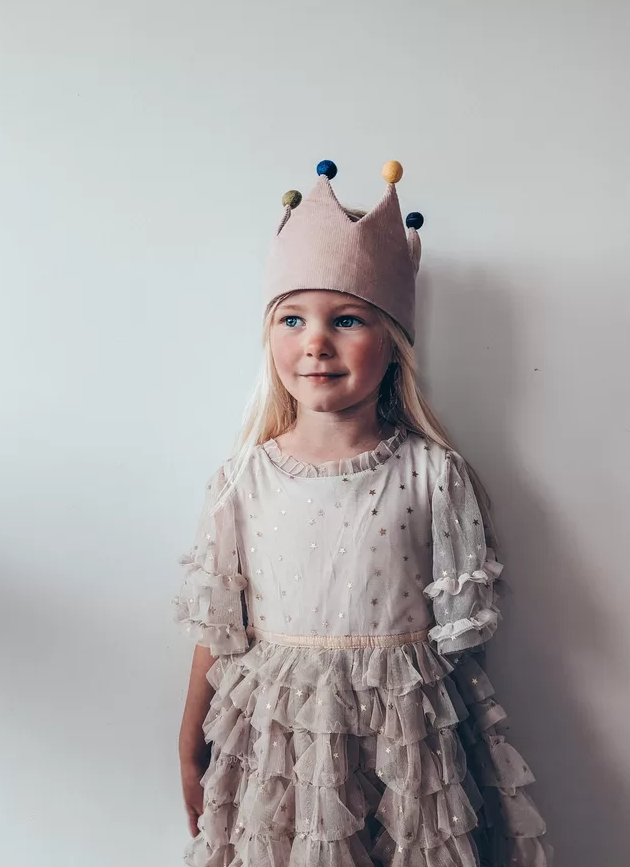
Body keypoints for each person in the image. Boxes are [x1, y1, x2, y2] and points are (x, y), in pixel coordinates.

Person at [173, 159, 552, 867]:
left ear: (393, 345)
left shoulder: (433, 475)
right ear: (270, 337)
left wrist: (462, 768)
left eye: (345, 320)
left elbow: (462, 654)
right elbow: (218, 627)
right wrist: (189, 737)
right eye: (292, 318)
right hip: (276, 748)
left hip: (406, 751)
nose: (314, 341)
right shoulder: (243, 479)